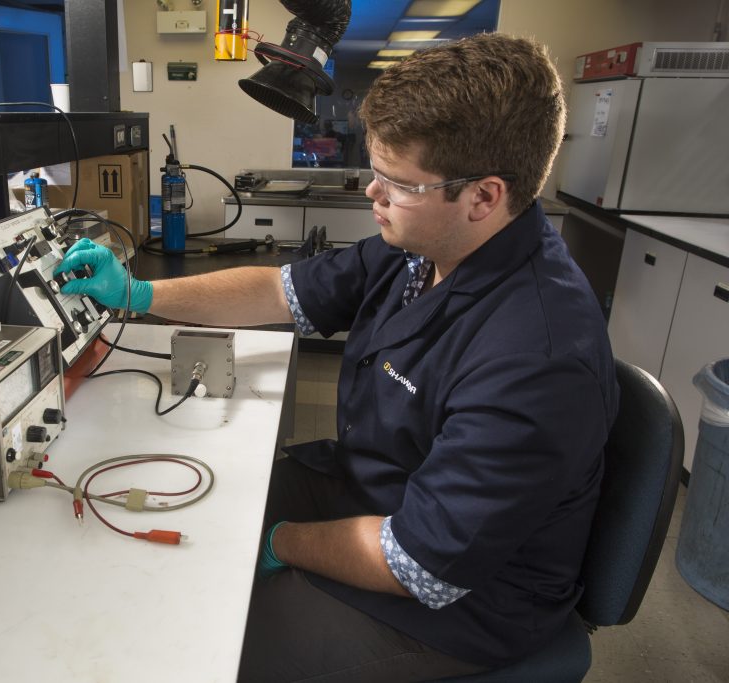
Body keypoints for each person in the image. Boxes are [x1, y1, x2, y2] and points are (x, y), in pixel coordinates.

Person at [54, 33, 618, 683]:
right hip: (371, 488)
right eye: (375, 172)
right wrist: (138, 292)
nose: (371, 195)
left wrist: (276, 543)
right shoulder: (427, 244)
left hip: (456, 602)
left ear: (483, 197)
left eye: (396, 183)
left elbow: (418, 563)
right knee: (193, 510)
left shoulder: (536, 356)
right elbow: (278, 290)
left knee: (210, 644)